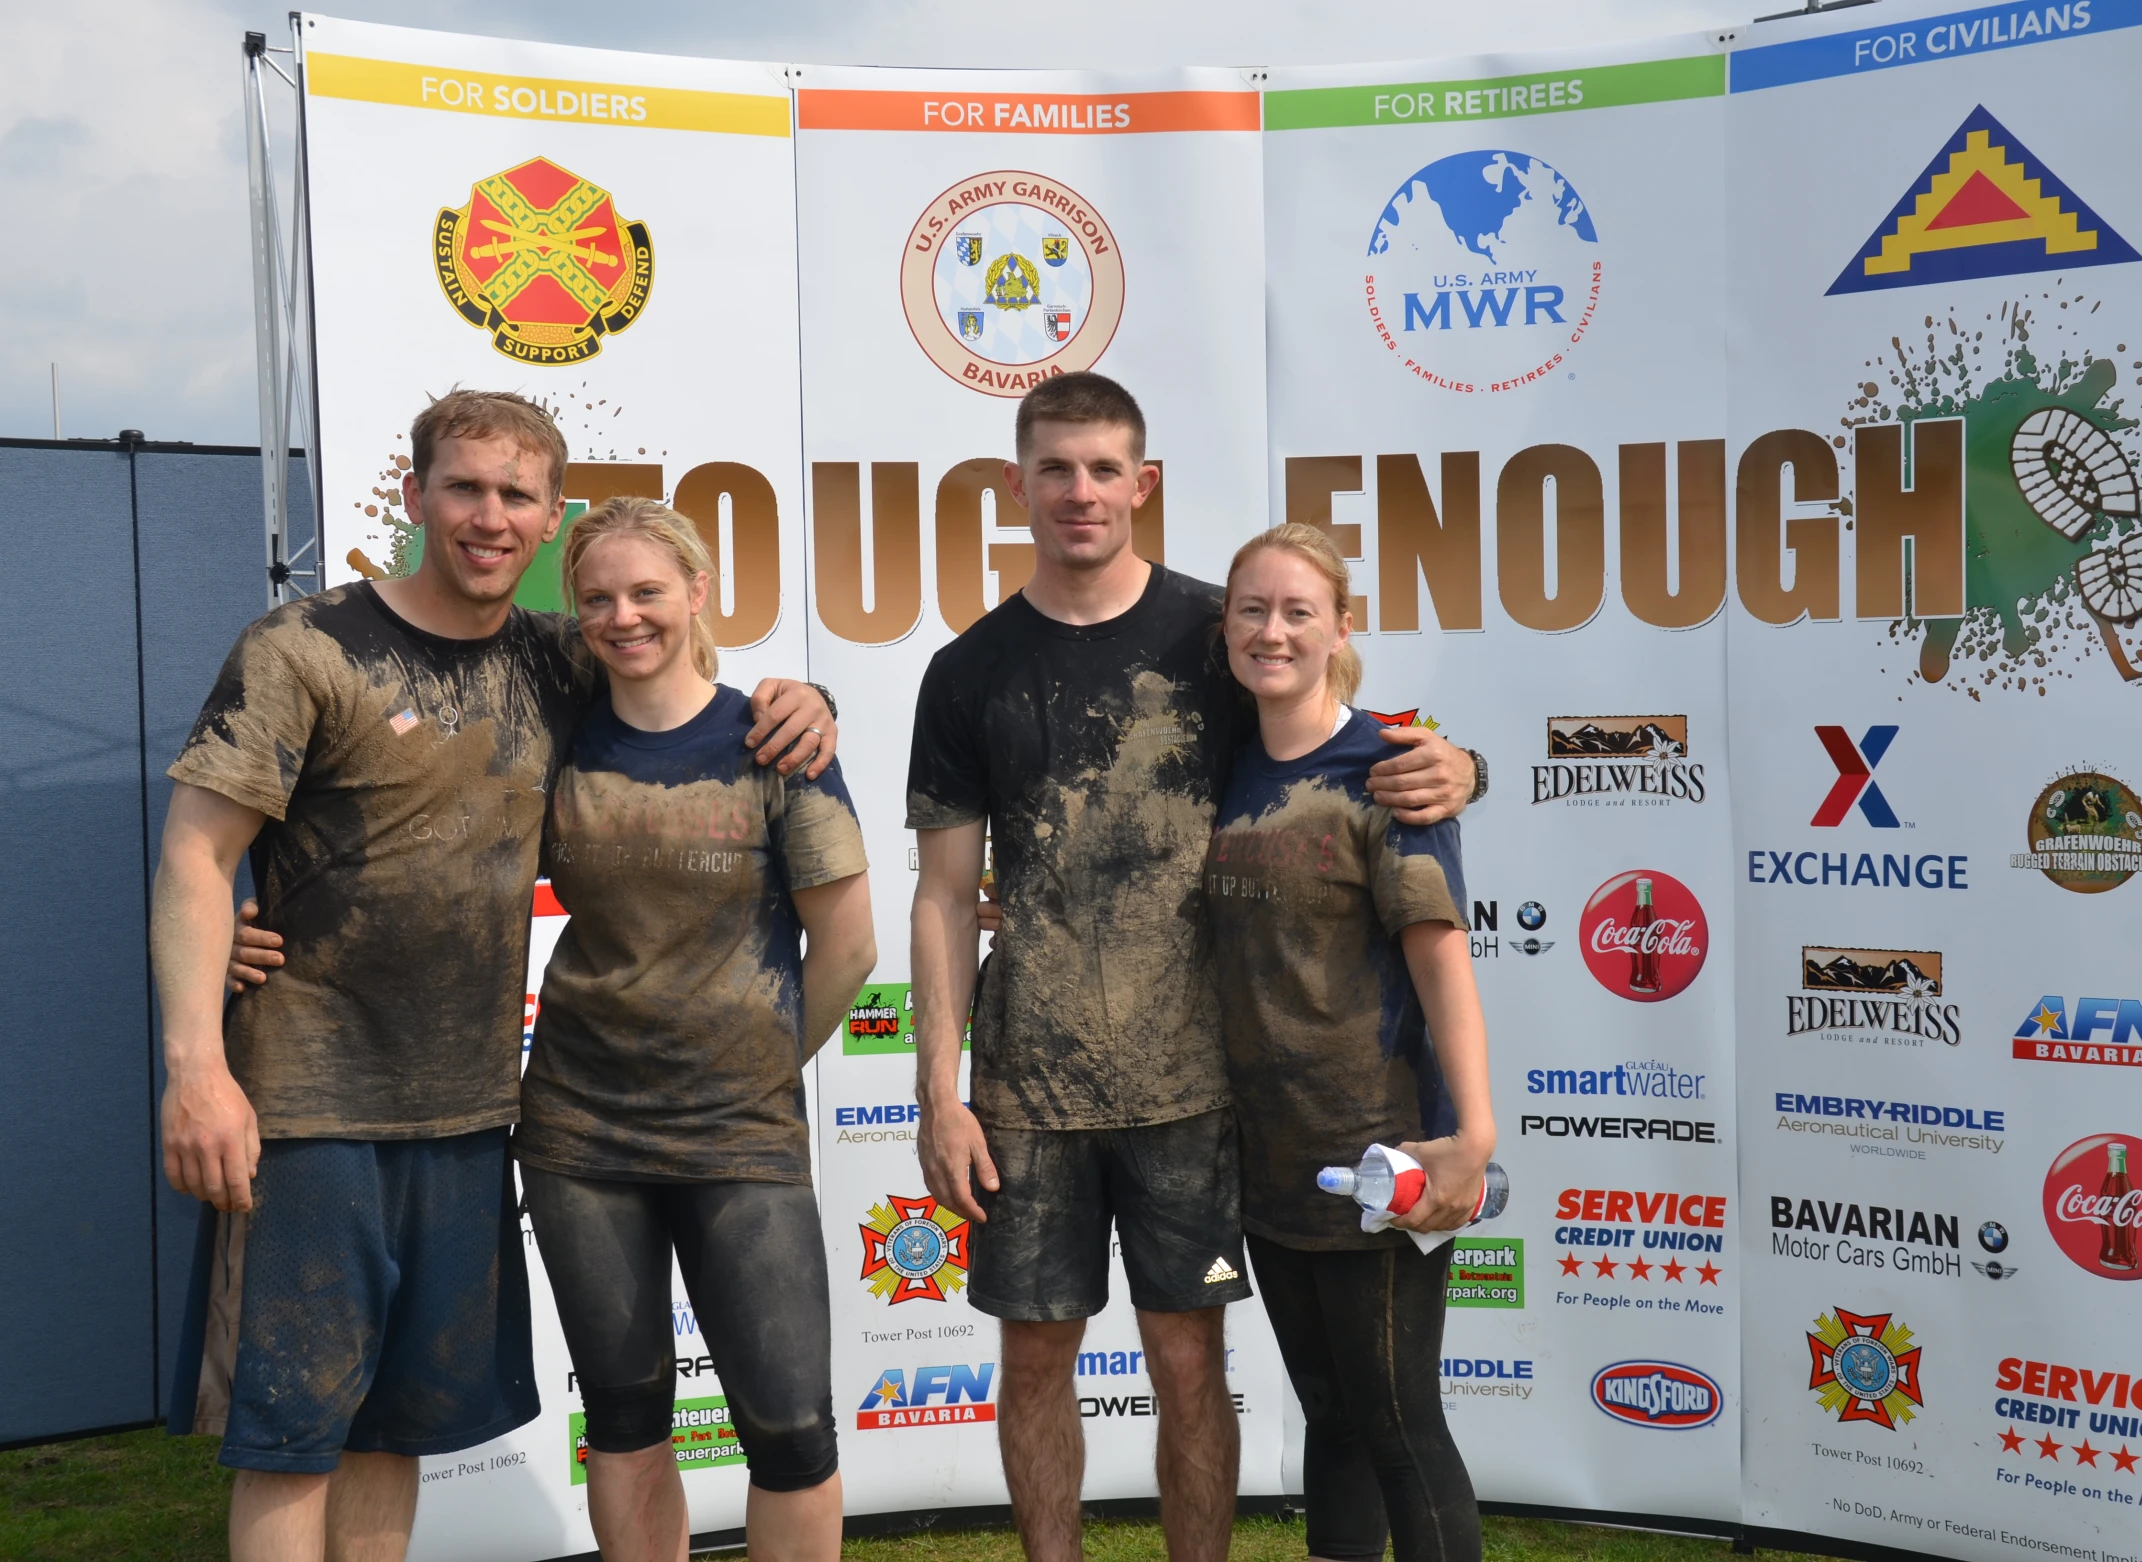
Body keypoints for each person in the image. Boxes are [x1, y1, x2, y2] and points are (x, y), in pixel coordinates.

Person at [155, 388, 835, 1562]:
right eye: (463, 486)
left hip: (475, 1113)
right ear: (414, 494)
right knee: (293, 1434)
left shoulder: (555, 659)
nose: (489, 514)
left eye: (517, 494)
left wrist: (802, 696)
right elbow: (194, 852)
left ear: (549, 515)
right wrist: (196, 1067)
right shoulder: (304, 645)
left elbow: (669, 670)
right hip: (311, 1107)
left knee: (393, 1430)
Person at [905, 372, 1484, 1562]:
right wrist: (939, 1089)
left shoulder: (1215, 634)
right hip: (1028, 1096)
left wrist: (1464, 764)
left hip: (1197, 1090)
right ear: (1015, 483)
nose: (1080, 491)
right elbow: (945, 894)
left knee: (1188, 1358)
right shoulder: (966, 674)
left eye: (1104, 468)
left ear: (1142, 483)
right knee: (1035, 1357)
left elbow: (1337, 737)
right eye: (1055, 468)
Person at [515, 497, 875, 1562]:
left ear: (699, 593)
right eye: (598, 598)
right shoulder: (555, 743)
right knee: (625, 1422)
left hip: (739, 1134)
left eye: (647, 591)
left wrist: (755, 1066)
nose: (624, 615)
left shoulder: (776, 739)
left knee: (790, 1428)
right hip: (581, 1135)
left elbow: (848, 949)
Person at [1207, 524, 1493, 1562]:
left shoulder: (1394, 769)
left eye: (1296, 611)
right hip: (1270, 1158)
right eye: (1252, 609)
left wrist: (1471, 1130)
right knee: (1331, 1417)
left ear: (1341, 626)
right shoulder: (1224, 765)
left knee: (1400, 1426)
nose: (1272, 631)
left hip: (1383, 1152)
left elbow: (1440, 958)